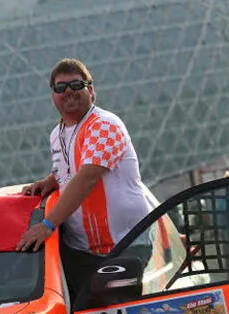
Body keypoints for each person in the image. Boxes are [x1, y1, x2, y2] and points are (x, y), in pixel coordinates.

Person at [16, 58, 152, 297]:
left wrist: (48, 225)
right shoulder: (57, 134)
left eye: (76, 85)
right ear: (53, 96)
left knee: (107, 310)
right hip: (82, 251)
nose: (68, 91)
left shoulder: (103, 124)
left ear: (91, 90)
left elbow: (88, 177)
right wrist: (51, 180)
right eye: (60, 88)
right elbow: (69, 169)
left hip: (125, 245)